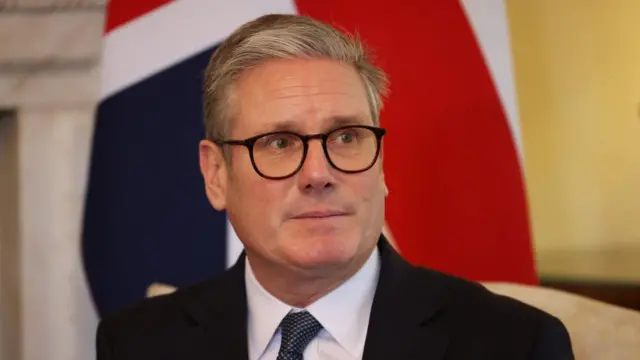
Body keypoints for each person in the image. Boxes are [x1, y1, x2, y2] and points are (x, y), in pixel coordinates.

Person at [95, 14, 574, 360]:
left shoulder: (515, 344)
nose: (319, 174)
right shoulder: (138, 343)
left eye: (346, 137)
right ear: (216, 174)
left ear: (380, 164)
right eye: (279, 143)